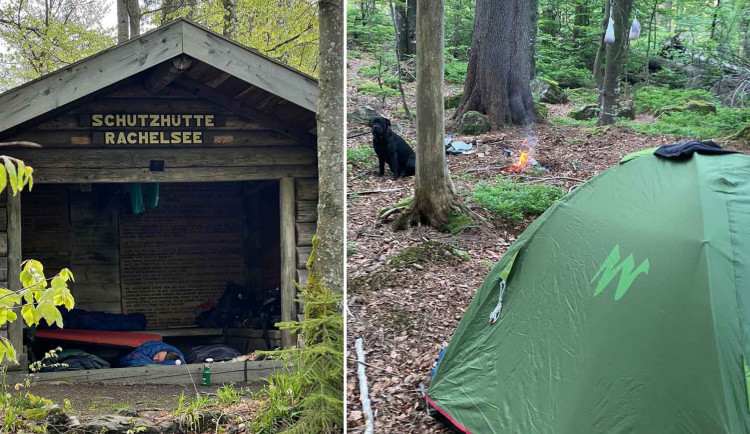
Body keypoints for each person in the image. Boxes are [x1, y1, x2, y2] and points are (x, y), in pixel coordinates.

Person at [119, 340, 185, 367]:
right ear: (164, 351)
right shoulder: (152, 349)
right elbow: (134, 362)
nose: (155, 358)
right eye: (158, 355)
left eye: (158, 361)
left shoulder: (177, 357)